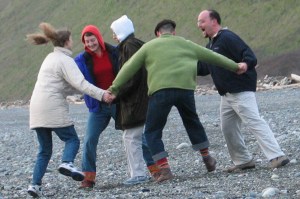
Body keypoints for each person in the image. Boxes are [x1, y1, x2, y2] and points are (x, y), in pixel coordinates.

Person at [107, 19, 244, 183]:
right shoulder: (186, 44)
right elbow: (213, 57)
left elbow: (129, 67)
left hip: (160, 91)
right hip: (185, 90)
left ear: (158, 33)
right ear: (173, 32)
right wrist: (236, 66)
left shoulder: (149, 46)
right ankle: (207, 158)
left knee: (152, 131)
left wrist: (113, 89)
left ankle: (165, 169)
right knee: (192, 122)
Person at [197, 9, 290, 172]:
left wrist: (245, 65)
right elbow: (204, 67)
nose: (199, 25)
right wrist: (181, 65)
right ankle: (243, 160)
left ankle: (277, 155)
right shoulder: (211, 44)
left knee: (254, 121)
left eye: (202, 21)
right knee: (228, 127)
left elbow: (250, 56)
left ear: (214, 21)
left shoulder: (227, 37)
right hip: (226, 95)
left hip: (240, 90)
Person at [26, 22, 111, 198]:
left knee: (44, 150)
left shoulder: (49, 58)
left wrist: (85, 93)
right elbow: (82, 84)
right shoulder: (65, 60)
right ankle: (67, 162)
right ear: (67, 42)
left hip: (35, 107)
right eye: (72, 39)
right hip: (52, 107)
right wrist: (103, 94)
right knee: (72, 139)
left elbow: (66, 87)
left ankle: (34, 185)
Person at [110, 15, 160, 185]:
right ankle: (150, 169)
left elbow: (131, 75)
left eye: (115, 33)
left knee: (131, 137)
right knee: (137, 136)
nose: (113, 37)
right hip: (144, 96)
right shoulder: (137, 44)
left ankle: (138, 173)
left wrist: (117, 93)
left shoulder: (128, 46)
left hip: (135, 100)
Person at [74, 25, 119, 188]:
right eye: (87, 41)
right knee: (89, 140)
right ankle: (88, 178)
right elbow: (74, 78)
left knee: (133, 134)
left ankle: (155, 168)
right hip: (97, 106)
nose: (90, 44)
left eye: (92, 40)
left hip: (117, 101)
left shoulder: (114, 52)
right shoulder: (81, 60)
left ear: (99, 38)